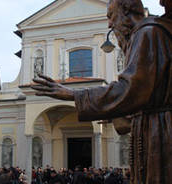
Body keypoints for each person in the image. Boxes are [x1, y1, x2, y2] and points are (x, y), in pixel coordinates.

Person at [31, 0, 172, 183]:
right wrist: (115, 113)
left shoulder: (148, 33)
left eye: (111, 16)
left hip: (161, 132)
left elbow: (131, 89)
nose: (109, 24)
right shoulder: (148, 33)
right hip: (155, 128)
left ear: (126, 10)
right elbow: (147, 95)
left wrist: (74, 94)